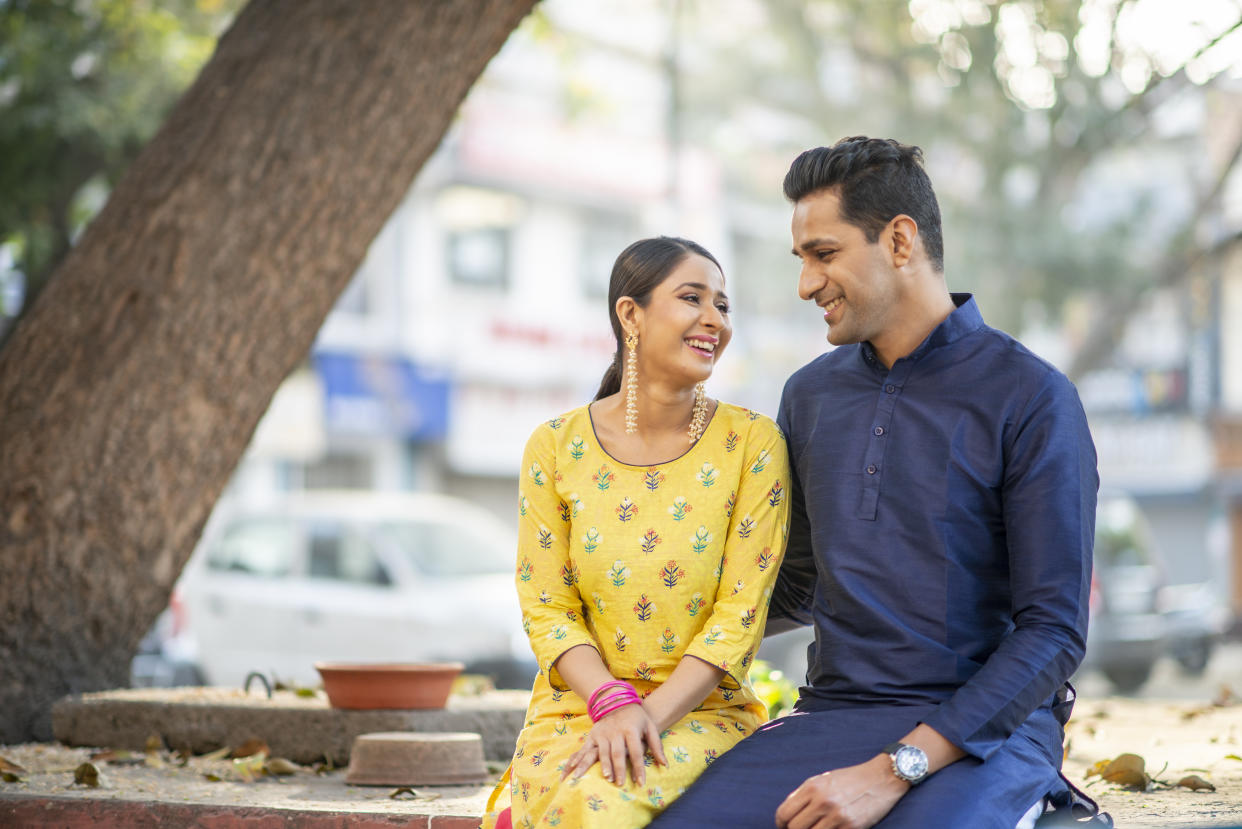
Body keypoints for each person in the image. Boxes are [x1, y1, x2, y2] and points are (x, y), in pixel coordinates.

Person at [649, 137, 1104, 829]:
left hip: (981, 735)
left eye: (823, 254)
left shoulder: (1031, 396)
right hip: (830, 716)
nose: (805, 283)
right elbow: (797, 583)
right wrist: (641, 616)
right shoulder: (810, 396)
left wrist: (895, 770)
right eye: (801, 259)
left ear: (899, 240)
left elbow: (1053, 631)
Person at [480, 236, 792, 829]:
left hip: (698, 713)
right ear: (631, 313)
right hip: (578, 708)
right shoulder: (555, 446)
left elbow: (740, 615)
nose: (713, 320)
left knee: (599, 799)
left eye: (722, 306)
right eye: (692, 298)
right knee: (566, 786)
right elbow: (546, 608)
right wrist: (611, 702)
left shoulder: (752, 443)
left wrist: (644, 716)